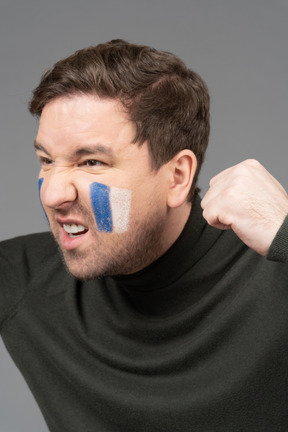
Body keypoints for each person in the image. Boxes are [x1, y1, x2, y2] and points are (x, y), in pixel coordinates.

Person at [0, 39, 287, 432]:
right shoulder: (21, 280)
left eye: (91, 162)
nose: (52, 194)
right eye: (46, 161)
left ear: (177, 176)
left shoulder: (274, 273)